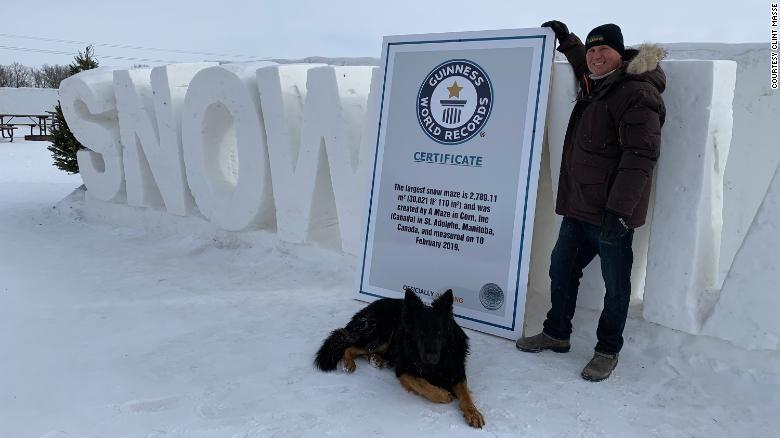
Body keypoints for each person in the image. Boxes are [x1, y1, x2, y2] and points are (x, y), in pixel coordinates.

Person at [516, 21, 666, 381]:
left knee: (616, 287)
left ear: (621, 53)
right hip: (579, 206)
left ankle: (607, 350)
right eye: (593, 49)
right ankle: (556, 334)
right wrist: (569, 40)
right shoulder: (598, 81)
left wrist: (619, 212)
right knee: (561, 269)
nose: (596, 56)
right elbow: (584, 62)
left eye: (604, 50)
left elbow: (640, 155)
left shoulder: (636, 93)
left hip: (611, 214)